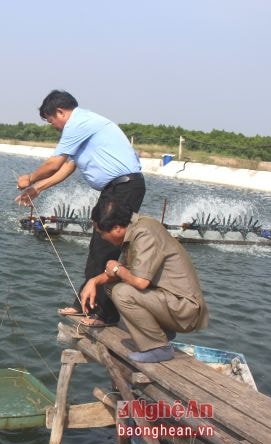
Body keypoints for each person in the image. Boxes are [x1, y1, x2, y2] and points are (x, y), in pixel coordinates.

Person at [16, 90, 145, 326]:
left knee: (104, 250)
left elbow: (55, 162)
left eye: (50, 120)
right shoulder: (83, 126)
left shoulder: (78, 123)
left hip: (124, 188)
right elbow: (68, 167)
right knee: (98, 248)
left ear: (60, 112)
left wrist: (30, 177)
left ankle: (104, 315)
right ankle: (84, 305)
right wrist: (39, 188)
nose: (52, 125)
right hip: (115, 190)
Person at [82, 197, 209, 363]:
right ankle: (161, 331)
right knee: (112, 285)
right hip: (170, 302)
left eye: (102, 234)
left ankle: (158, 347)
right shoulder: (136, 228)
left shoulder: (144, 234)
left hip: (185, 310)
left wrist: (116, 267)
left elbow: (140, 282)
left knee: (122, 292)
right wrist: (94, 281)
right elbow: (122, 272)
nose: (102, 238)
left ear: (117, 229)